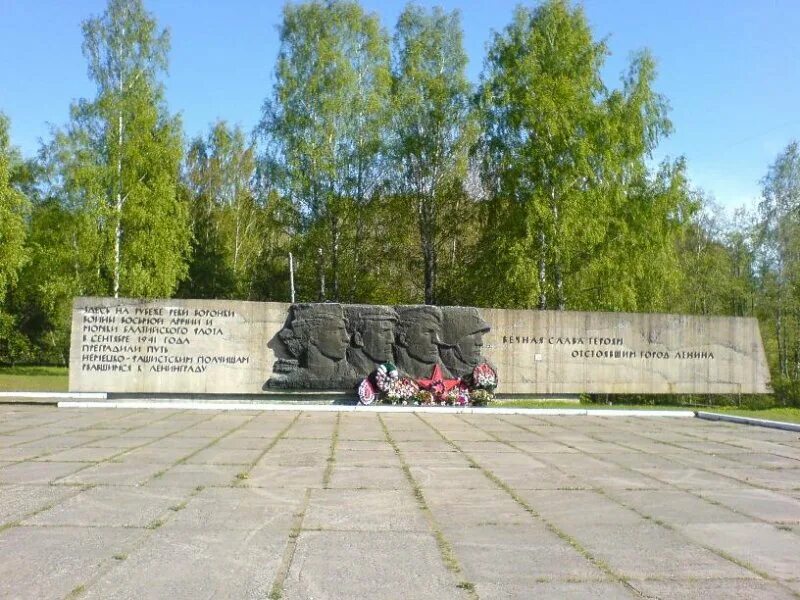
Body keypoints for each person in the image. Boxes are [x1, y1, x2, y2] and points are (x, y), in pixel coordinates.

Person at [268, 303, 354, 388]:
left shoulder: (351, 374)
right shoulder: (290, 379)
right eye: (338, 331)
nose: (347, 338)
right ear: (313, 336)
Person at [344, 305, 398, 377]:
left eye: (392, 333)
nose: (392, 340)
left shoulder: (393, 373)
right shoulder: (348, 374)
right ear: (359, 339)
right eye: (384, 332)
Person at [439, 307, 491, 378]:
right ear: (452, 338)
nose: (480, 342)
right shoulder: (432, 368)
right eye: (473, 334)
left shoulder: (486, 368)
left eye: (480, 335)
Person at [394, 305, 444, 378]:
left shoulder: (446, 377)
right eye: (427, 332)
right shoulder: (389, 374)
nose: (437, 340)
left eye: (437, 333)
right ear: (404, 338)